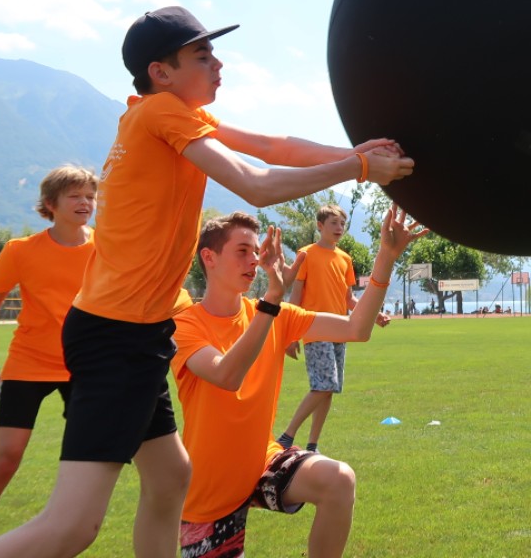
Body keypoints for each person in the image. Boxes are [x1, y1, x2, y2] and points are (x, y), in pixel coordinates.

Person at [0, 6, 414, 558]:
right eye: (202, 55)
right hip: (115, 337)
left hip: (136, 334)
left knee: (171, 477)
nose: (218, 63)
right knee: (72, 527)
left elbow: (274, 148)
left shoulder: (167, 115)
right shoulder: (160, 113)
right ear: (161, 71)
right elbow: (255, 182)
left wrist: (356, 153)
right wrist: (359, 170)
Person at [173, 205, 425, 558]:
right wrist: (272, 301)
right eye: (242, 251)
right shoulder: (185, 326)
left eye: (255, 251)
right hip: (209, 487)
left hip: (261, 461)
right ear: (209, 258)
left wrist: (386, 256)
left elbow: (357, 328)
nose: (253, 260)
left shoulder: (275, 315)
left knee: (339, 480)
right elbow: (227, 375)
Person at [0, 167, 98, 546]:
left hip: (86, 370)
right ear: (50, 204)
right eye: (75, 195)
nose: (85, 203)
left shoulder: (108, 247)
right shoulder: (20, 250)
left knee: (88, 465)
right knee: (4, 461)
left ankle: (64, 538)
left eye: (90, 196)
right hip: (28, 365)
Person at [276, 205, 357, 453]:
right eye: (333, 223)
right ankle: (287, 437)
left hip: (339, 330)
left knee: (329, 388)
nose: (339, 228)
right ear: (320, 226)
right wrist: (291, 335)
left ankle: (312, 445)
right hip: (313, 328)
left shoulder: (345, 259)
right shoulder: (306, 254)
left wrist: (374, 315)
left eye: (342, 224)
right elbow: (296, 296)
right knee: (324, 385)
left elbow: (349, 300)